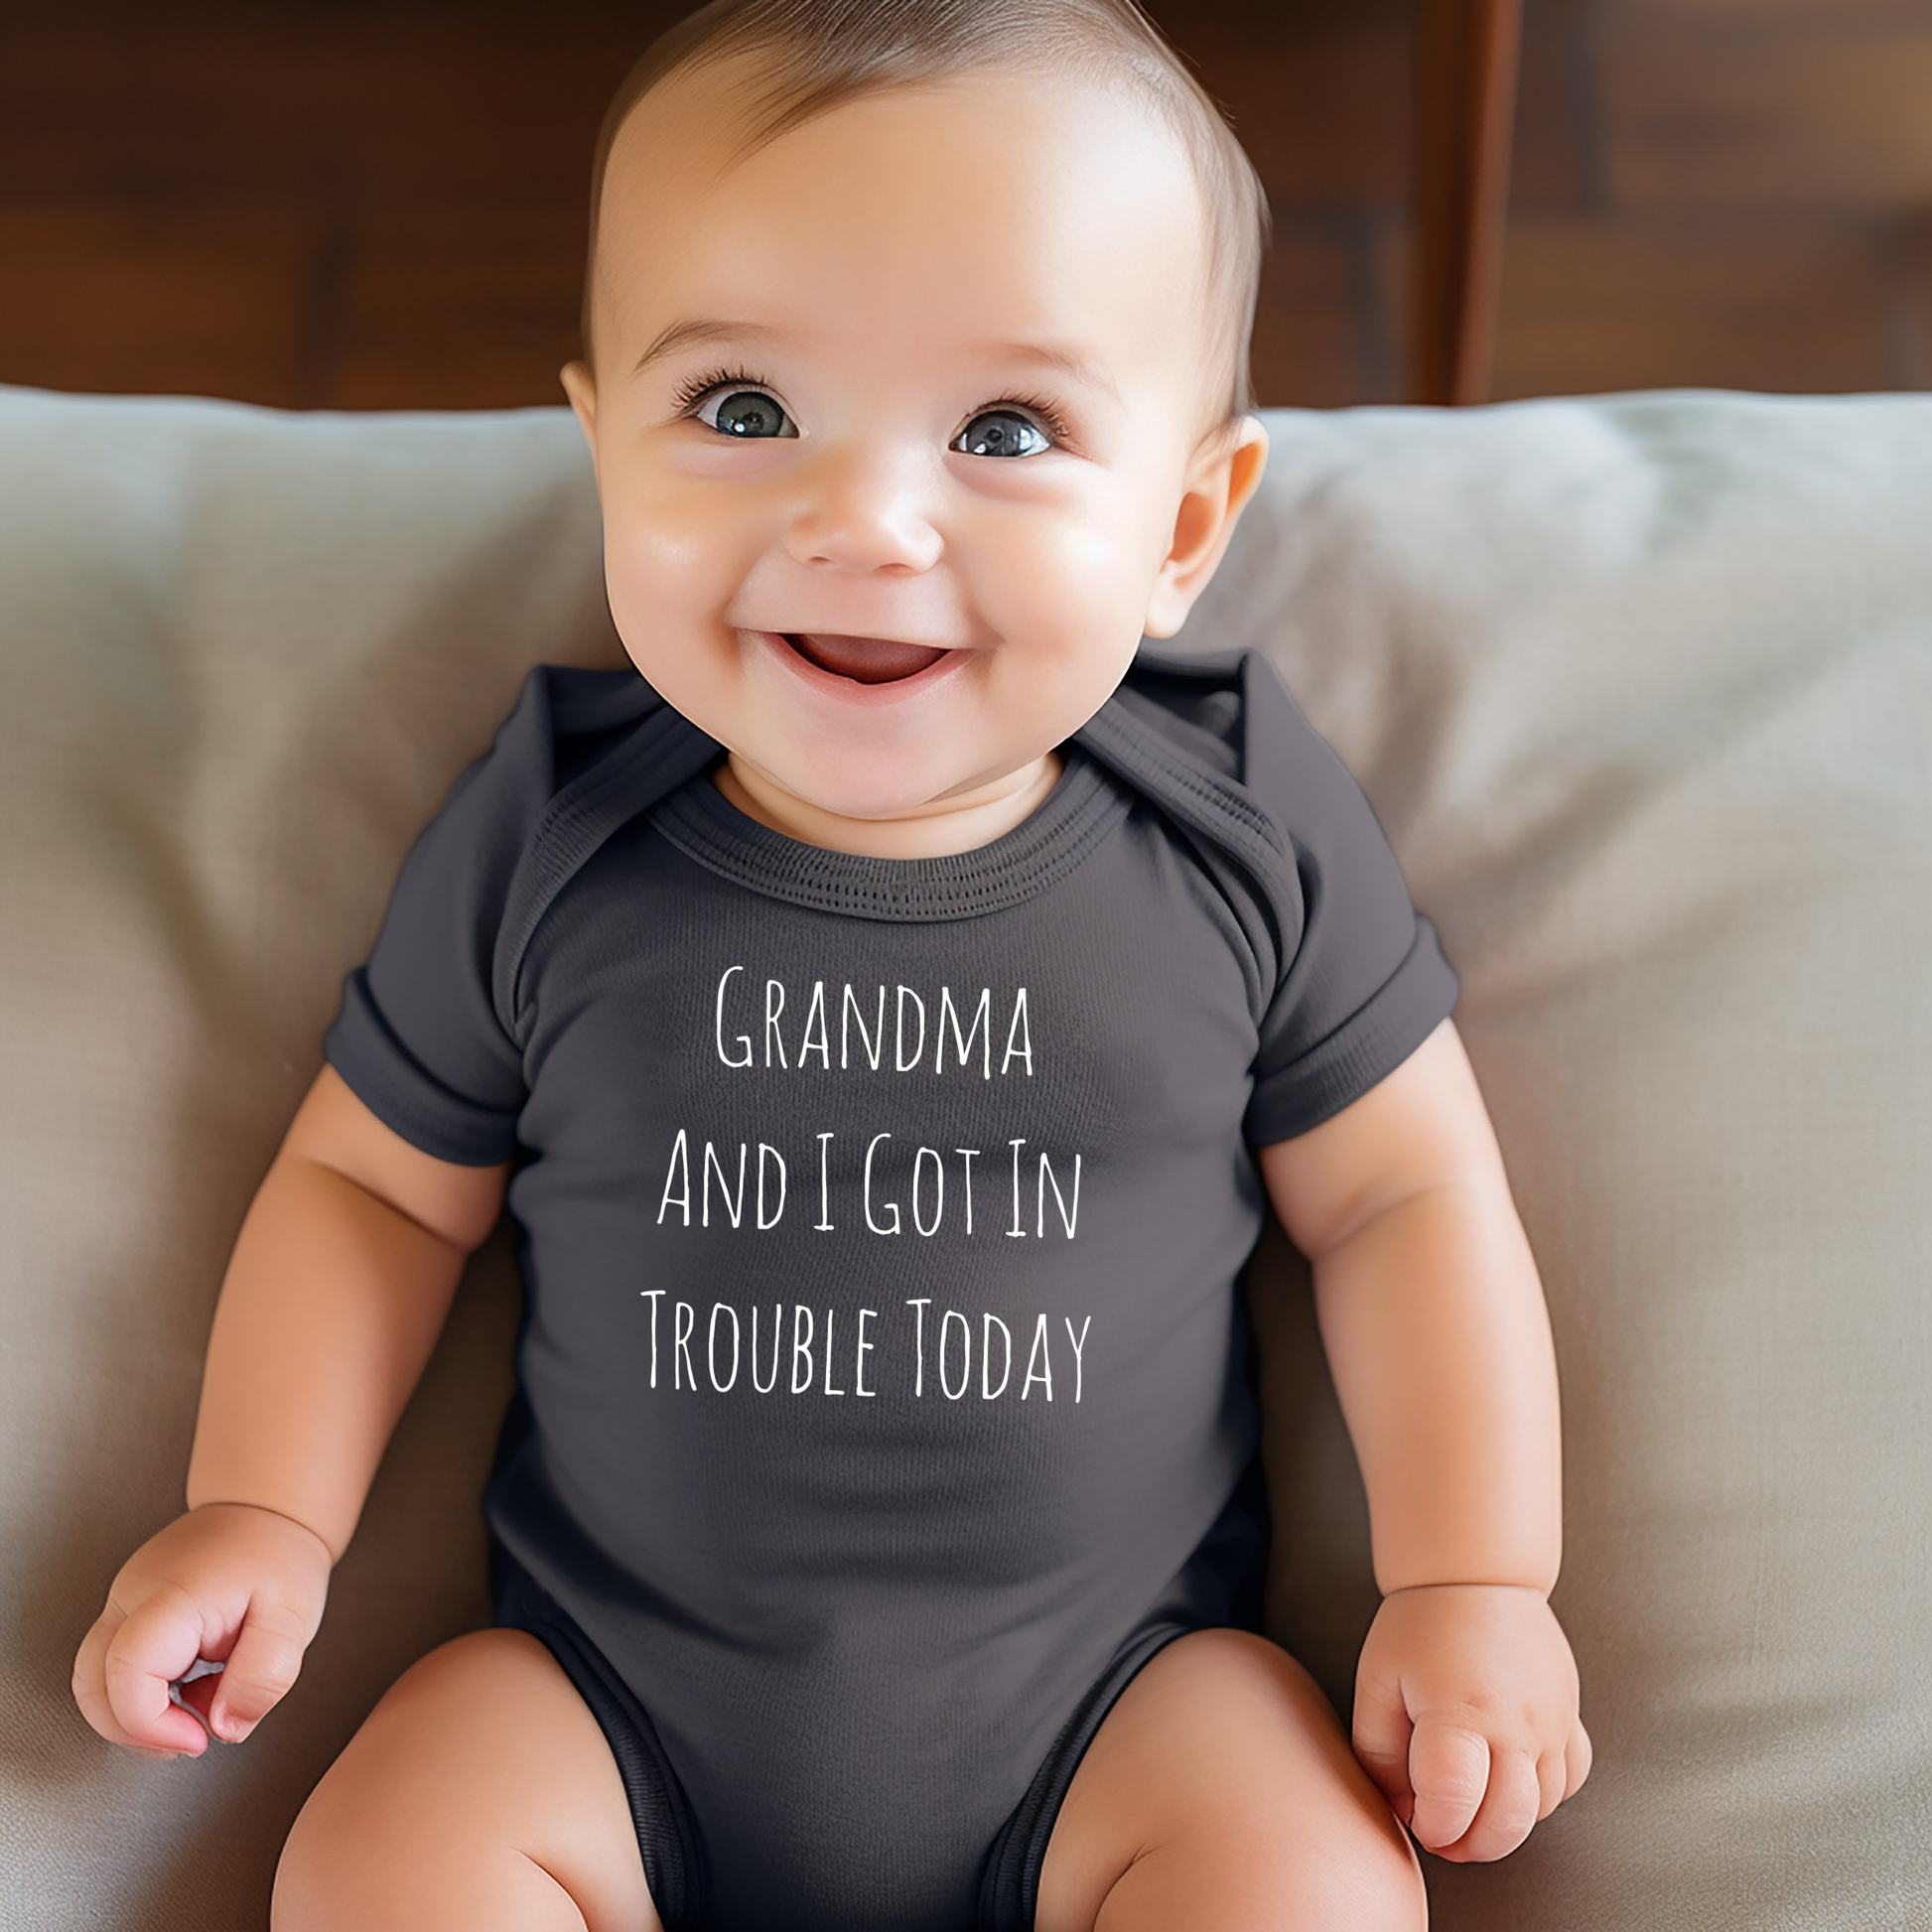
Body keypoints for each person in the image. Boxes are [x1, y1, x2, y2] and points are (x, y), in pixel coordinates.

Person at [71, 3, 1589, 1927]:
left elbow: (1400, 1191)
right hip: (607, 1706)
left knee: (1301, 1871)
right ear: (603, 444)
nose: (861, 522)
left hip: (1116, 1706)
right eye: (739, 409)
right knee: (388, 1853)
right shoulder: (551, 827)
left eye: (1007, 431)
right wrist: (262, 1510)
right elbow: (373, 1182)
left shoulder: (1235, 819)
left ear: (1185, 524)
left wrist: (1472, 1581)